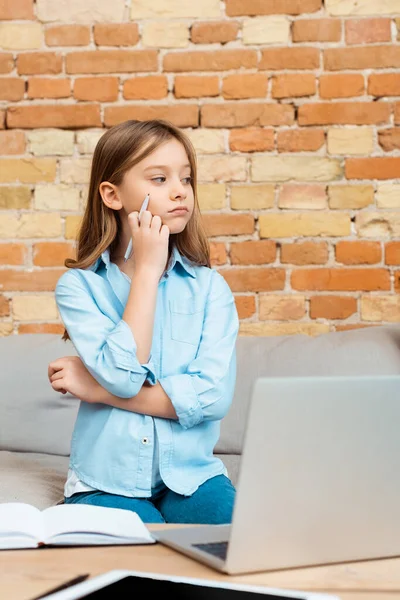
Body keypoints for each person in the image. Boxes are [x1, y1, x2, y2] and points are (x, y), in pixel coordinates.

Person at [48, 119, 239, 524]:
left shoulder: (210, 288)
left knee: (237, 533)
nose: (179, 191)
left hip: (191, 477)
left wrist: (98, 391)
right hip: (108, 480)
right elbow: (123, 375)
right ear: (112, 195)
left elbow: (213, 398)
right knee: (139, 547)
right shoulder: (79, 288)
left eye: (186, 179)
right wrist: (148, 272)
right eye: (159, 177)